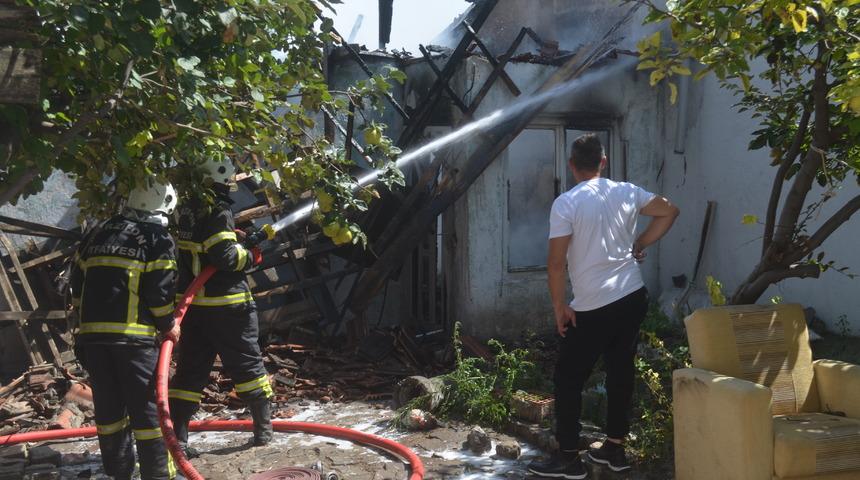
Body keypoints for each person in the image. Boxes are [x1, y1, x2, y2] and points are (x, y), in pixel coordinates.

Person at [528, 134, 679, 479]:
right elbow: (669, 210)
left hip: (594, 305)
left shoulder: (566, 203)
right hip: (631, 296)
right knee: (620, 370)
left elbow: (555, 264)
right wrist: (641, 242)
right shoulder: (626, 191)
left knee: (568, 378)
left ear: (571, 166)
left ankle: (568, 457)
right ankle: (614, 448)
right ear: (603, 162)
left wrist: (558, 306)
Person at [70, 180, 181, 480]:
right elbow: (159, 292)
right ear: (165, 204)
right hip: (133, 340)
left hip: (93, 338)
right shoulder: (157, 238)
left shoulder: (99, 232)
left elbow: (76, 283)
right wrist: (169, 325)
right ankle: (157, 474)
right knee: (146, 412)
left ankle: (118, 472)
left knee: (108, 409)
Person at [168, 156, 272, 456]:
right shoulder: (218, 207)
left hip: (193, 309)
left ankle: (180, 437)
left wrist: (235, 240)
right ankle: (263, 432)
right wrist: (250, 256)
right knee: (247, 365)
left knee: (190, 371)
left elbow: (204, 248)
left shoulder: (186, 207)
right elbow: (225, 258)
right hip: (227, 306)